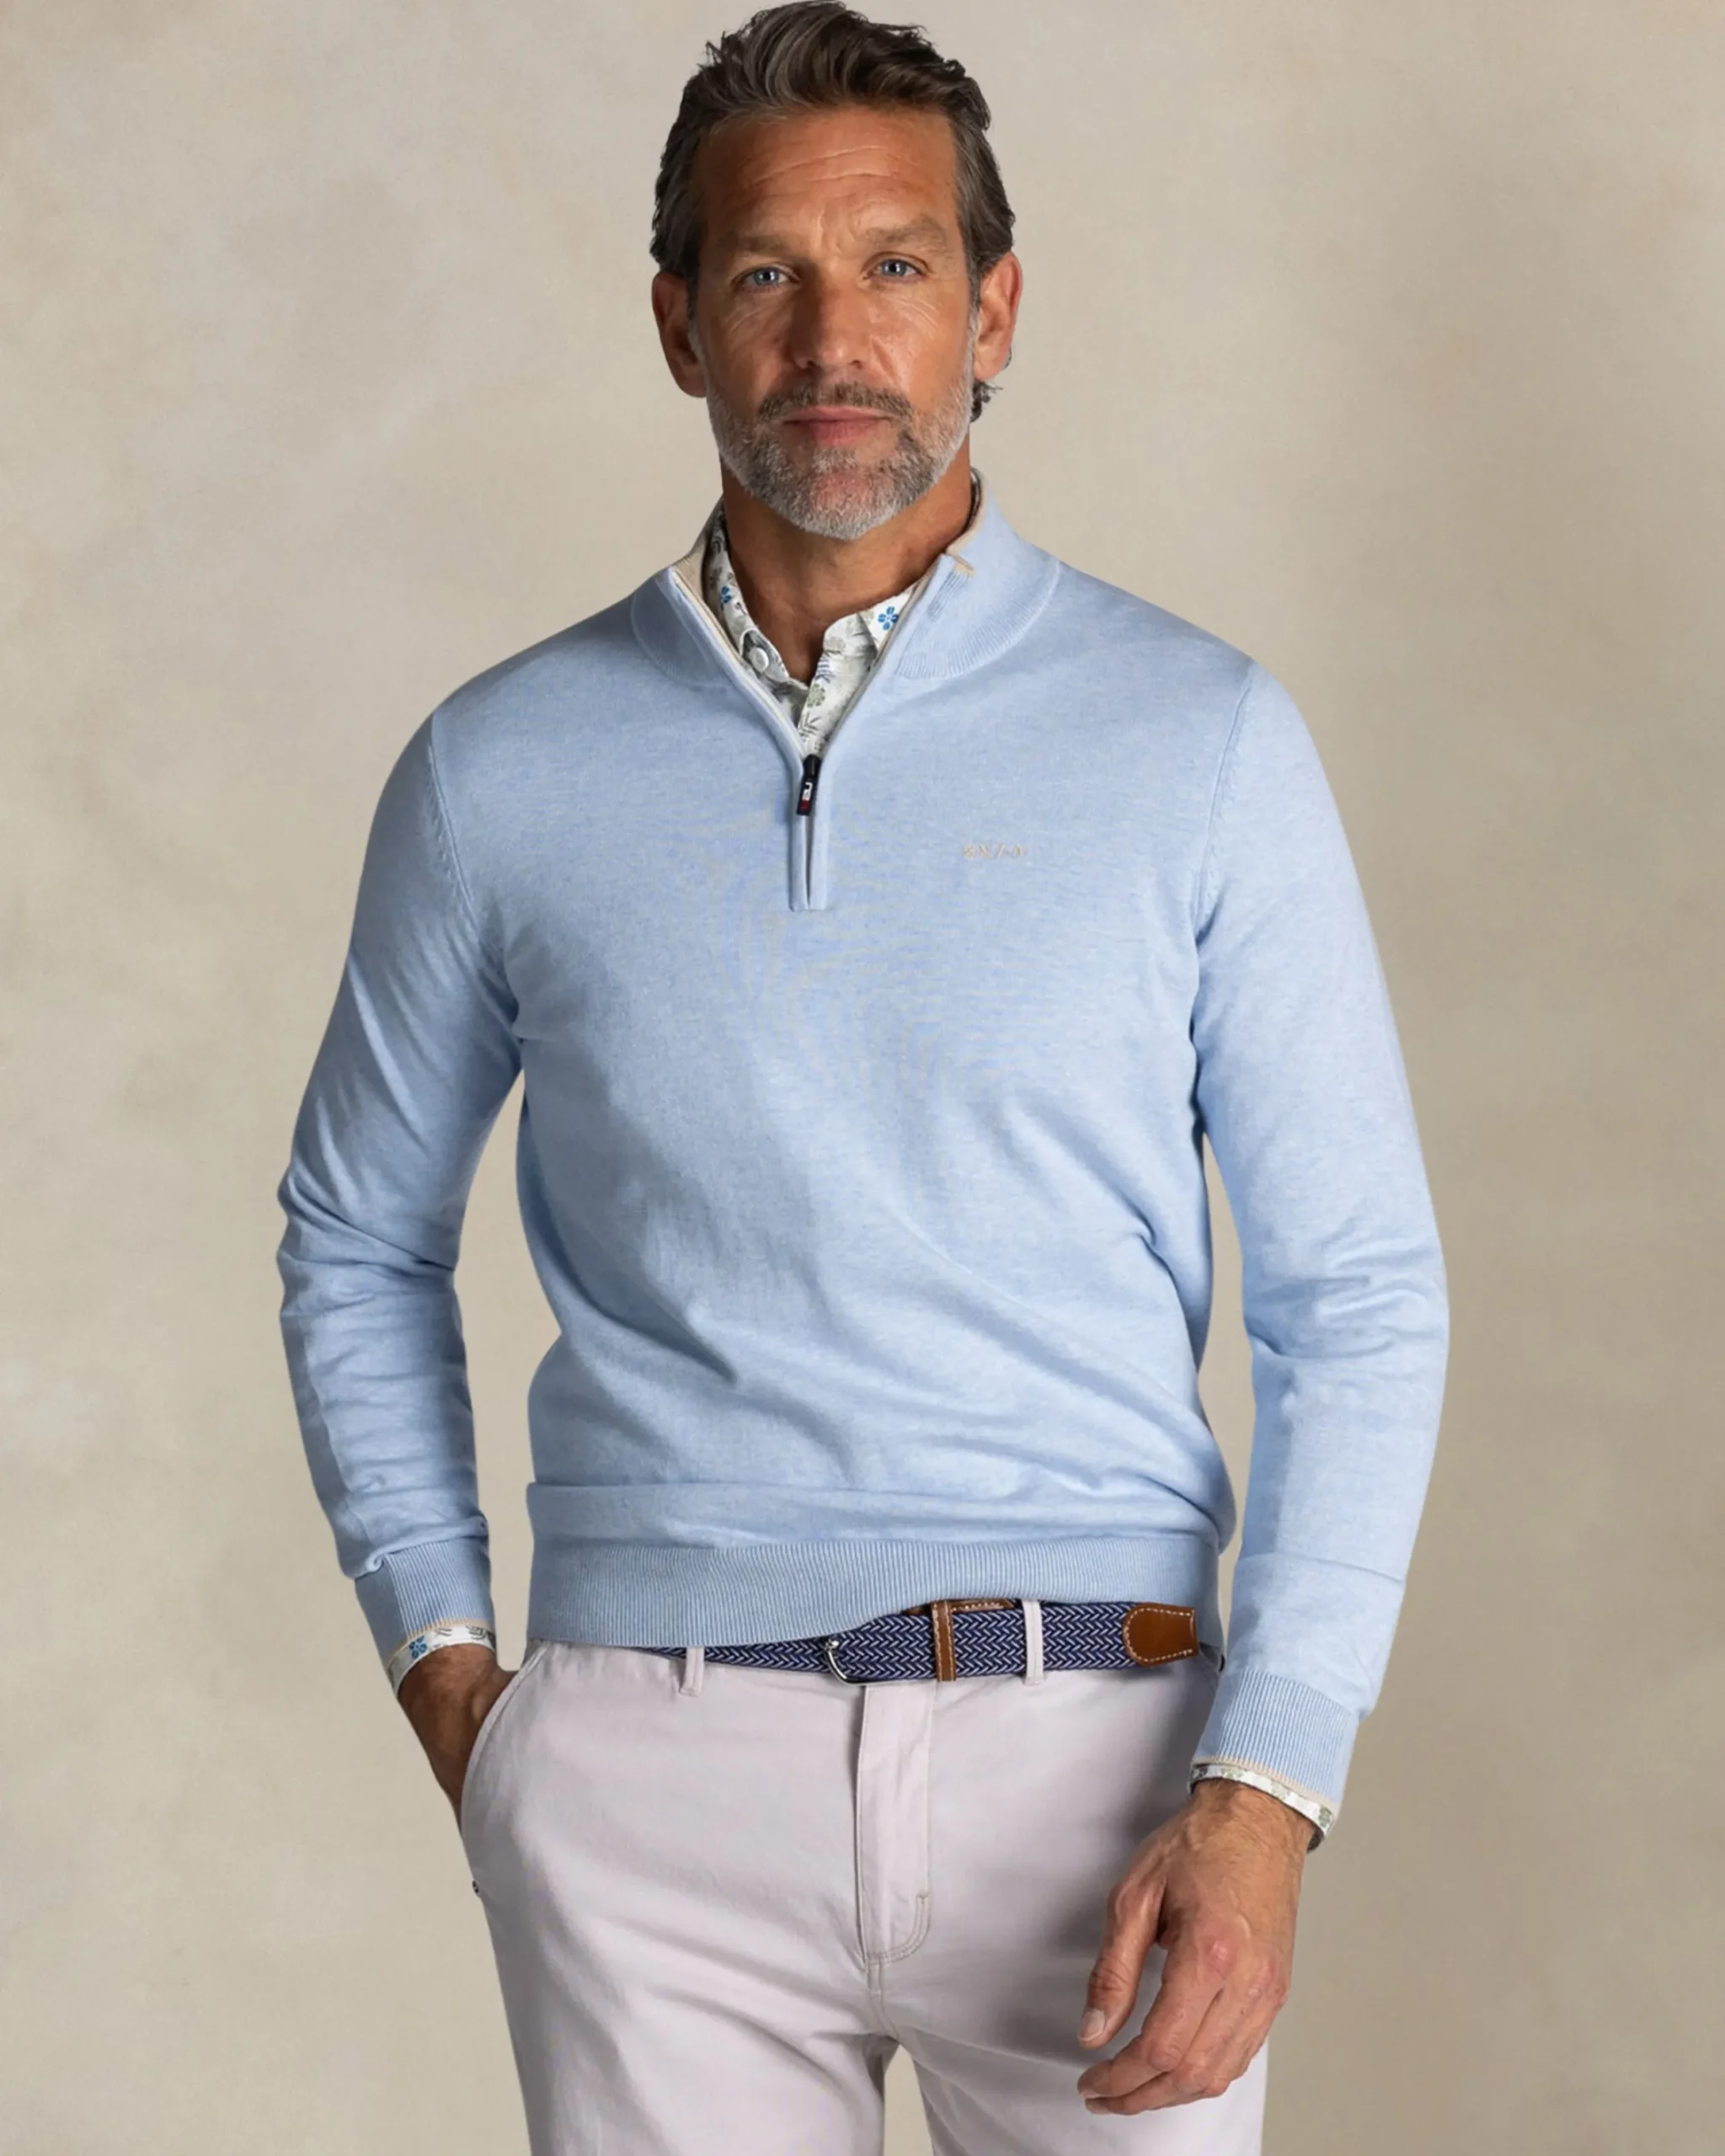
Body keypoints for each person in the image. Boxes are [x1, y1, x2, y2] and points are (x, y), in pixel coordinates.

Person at [275, 6, 1449, 2150]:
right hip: (647, 1776)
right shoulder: (496, 765)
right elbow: (354, 1233)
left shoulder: (1201, 738)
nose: (835, 337)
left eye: (897, 264)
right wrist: (458, 1676)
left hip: (1103, 1764)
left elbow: (1356, 1291)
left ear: (991, 312)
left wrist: (1267, 1783)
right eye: (767, 273)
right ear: (677, 324)